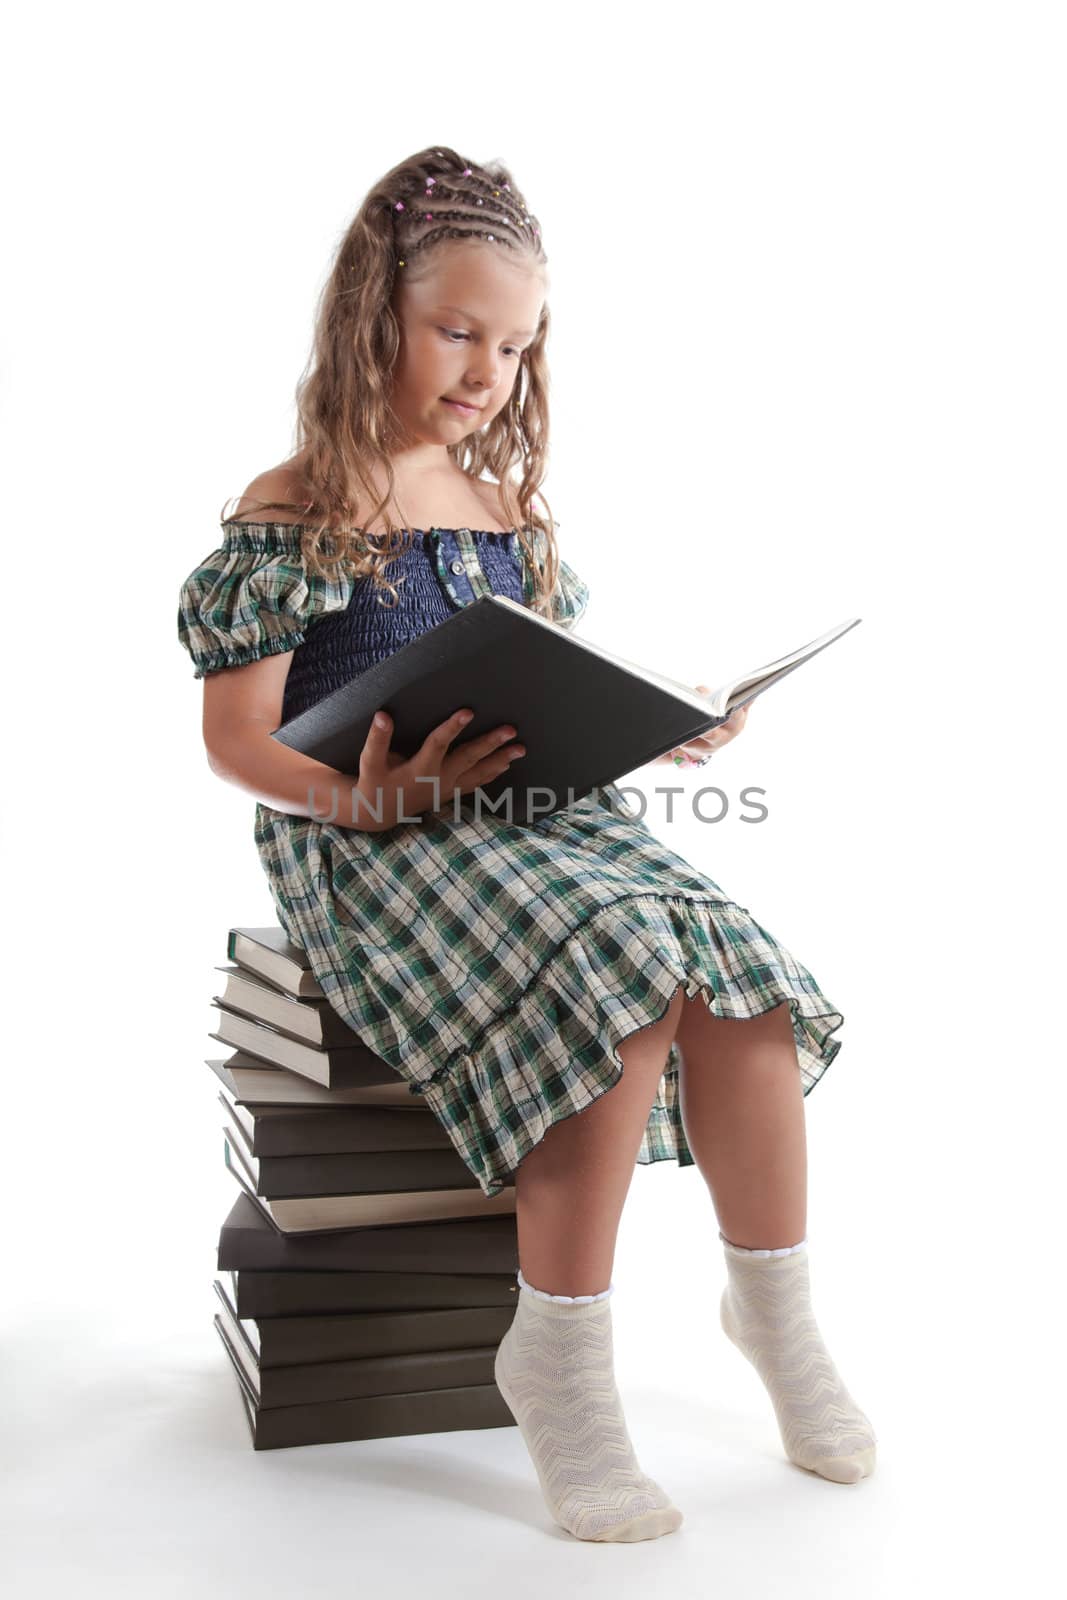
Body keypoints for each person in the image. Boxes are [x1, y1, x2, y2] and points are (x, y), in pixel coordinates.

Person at [177, 146, 876, 1543]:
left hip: (543, 812)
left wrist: (663, 724)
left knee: (732, 966)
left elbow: (530, 682)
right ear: (374, 313)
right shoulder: (299, 504)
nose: (488, 369)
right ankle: (556, 1356)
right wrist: (374, 800)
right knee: (615, 963)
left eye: (514, 343)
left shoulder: (503, 509)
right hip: (374, 837)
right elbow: (239, 742)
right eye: (457, 331)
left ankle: (776, 1311)